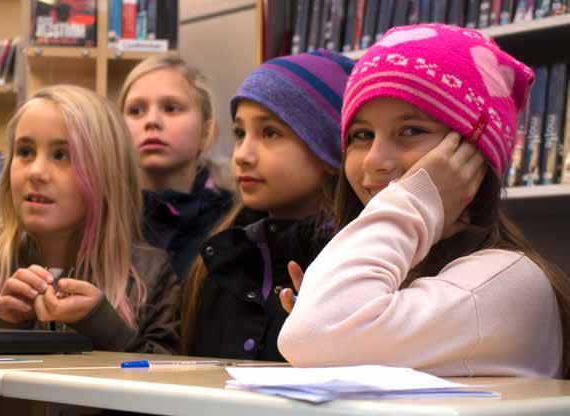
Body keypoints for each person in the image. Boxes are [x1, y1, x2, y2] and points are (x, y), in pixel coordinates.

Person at [278, 24, 570, 378]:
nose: (373, 159)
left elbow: (314, 335)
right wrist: (330, 298)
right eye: (362, 135)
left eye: (411, 130)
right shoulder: (403, 268)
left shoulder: (508, 278)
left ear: (473, 155)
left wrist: (418, 199)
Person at [0, 85, 179, 354]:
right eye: (26, 152)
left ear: (107, 174)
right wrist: (4, 328)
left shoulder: (150, 275)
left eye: (61, 155)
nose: (37, 172)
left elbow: (164, 381)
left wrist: (102, 325)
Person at [181, 50, 354, 360]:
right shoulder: (219, 261)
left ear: (328, 148)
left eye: (270, 133)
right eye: (239, 133)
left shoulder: (355, 264)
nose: (242, 155)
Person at [119, 54, 232, 280]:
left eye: (171, 108)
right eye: (136, 111)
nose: (151, 121)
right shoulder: (103, 218)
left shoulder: (234, 222)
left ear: (207, 132)